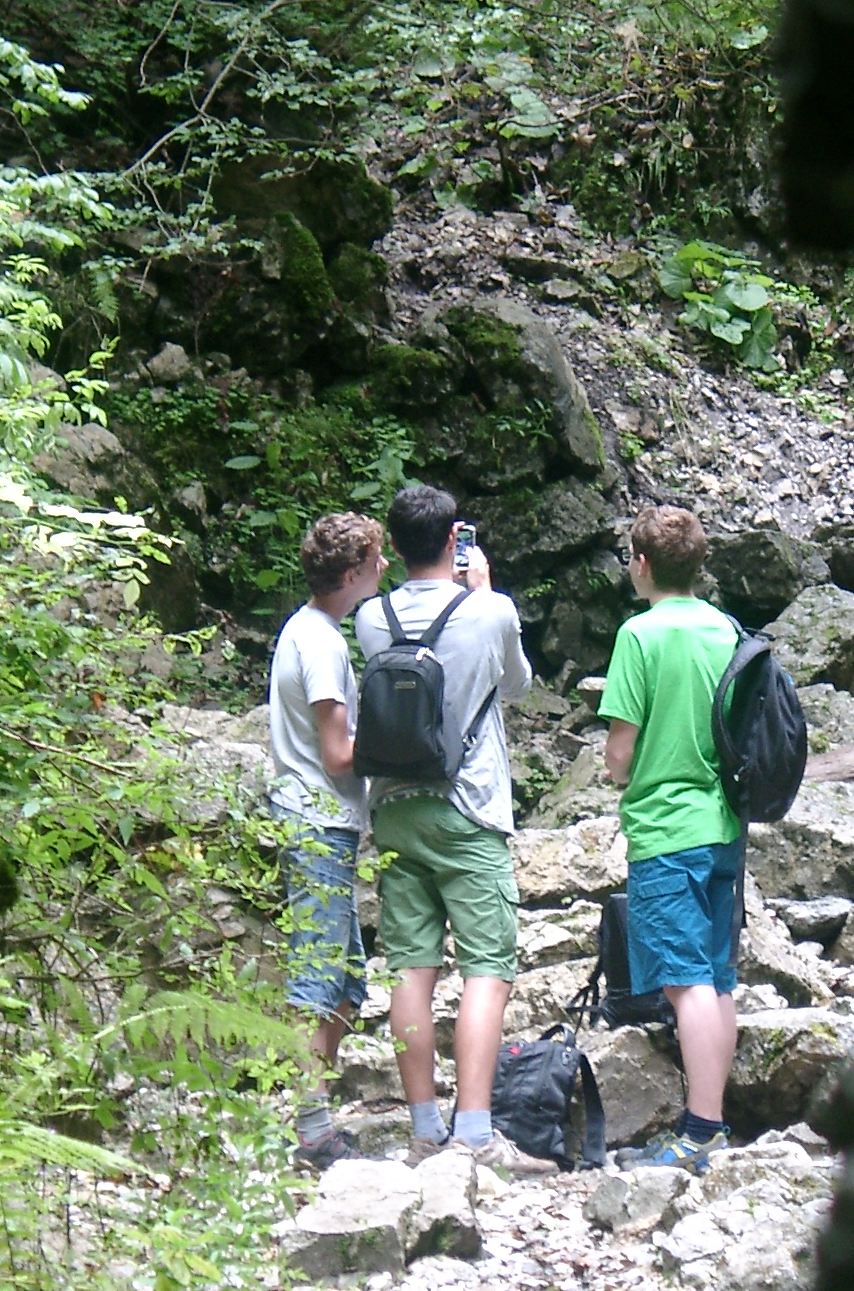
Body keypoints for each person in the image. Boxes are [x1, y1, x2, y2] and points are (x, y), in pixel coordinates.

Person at [354, 485, 556, 1175]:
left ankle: (422, 1127)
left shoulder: (371, 616)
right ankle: (473, 1132)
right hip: (469, 806)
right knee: (486, 970)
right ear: (453, 541)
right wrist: (485, 590)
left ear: (395, 545)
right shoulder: (490, 610)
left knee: (411, 967)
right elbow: (518, 684)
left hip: (393, 806)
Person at [600, 505, 741, 1171]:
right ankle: (715, 1123)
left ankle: (701, 1131)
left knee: (685, 983)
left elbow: (619, 755)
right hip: (724, 826)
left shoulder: (639, 634)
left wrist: (617, 768)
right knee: (717, 978)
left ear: (643, 564)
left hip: (666, 828)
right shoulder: (727, 629)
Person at [268, 511, 387, 1168]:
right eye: (374, 562)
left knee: (345, 981)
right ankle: (310, 1128)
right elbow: (338, 754)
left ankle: (314, 1115)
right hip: (317, 821)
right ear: (350, 575)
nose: (384, 569)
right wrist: (401, 740)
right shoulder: (322, 645)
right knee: (317, 975)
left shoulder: (311, 629)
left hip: (321, 819)